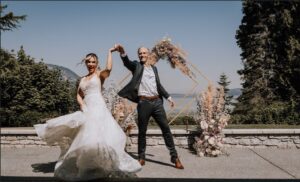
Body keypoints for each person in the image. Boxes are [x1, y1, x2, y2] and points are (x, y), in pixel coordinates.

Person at [34, 46, 142, 181]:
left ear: (96, 63)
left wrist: (110, 52)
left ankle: (101, 166)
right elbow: (78, 95)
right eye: (88, 62)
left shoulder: (99, 75)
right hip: (87, 108)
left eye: (93, 62)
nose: (91, 64)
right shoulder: (82, 79)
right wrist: (82, 105)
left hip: (98, 108)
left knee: (99, 135)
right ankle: (90, 165)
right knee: (86, 136)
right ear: (86, 63)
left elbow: (108, 69)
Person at [115, 44, 184, 169]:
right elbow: (127, 62)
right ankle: (141, 157)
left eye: (144, 53)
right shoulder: (136, 66)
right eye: (140, 53)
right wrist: (123, 53)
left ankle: (175, 157)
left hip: (157, 102)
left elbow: (158, 85)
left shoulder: (154, 69)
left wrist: (169, 97)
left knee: (166, 130)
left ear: (148, 55)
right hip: (143, 103)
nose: (142, 55)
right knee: (142, 132)